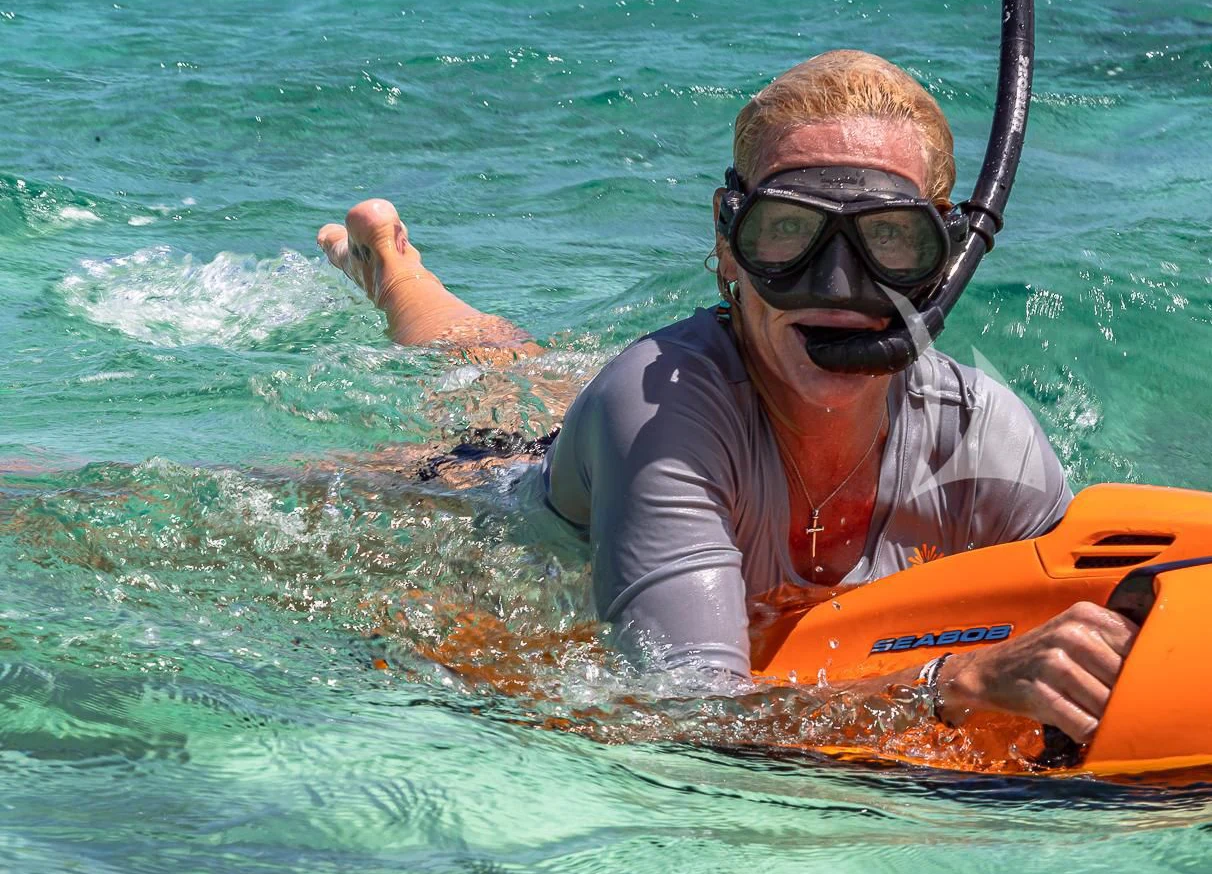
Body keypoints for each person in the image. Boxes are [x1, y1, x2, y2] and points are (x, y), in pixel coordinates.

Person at [317, 48, 1138, 744]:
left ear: (945, 261)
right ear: (726, 244)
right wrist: (947, 686)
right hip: (512, 495)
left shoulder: (981, 435)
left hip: (676, 406)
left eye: (889, 237)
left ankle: (394, 269)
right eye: (788, 230)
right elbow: (684, 719)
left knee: (522, 374)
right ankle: (394, 271)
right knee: (487, 402)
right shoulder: (655, 416)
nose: (837, 288)